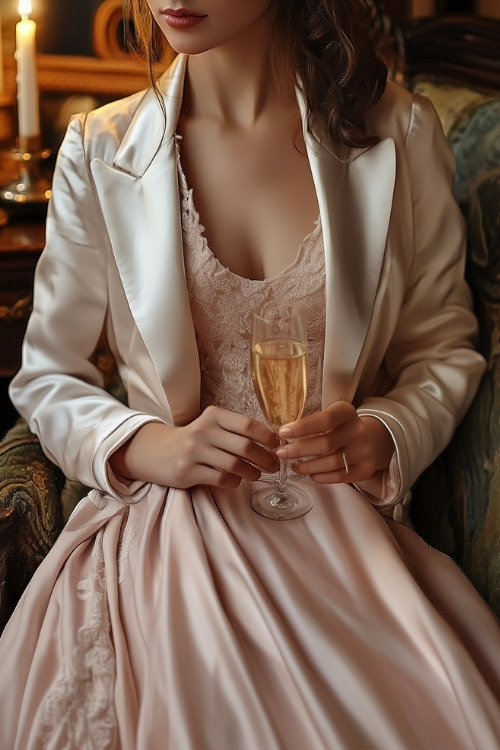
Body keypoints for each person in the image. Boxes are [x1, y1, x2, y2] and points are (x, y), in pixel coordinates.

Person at [1, 0, 500, 747]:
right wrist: (145, 445)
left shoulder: (401, 131)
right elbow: (47, 375)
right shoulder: (100, 149)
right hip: (171, 531)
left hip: (343, 534)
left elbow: (444, 345)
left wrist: (387, 433)